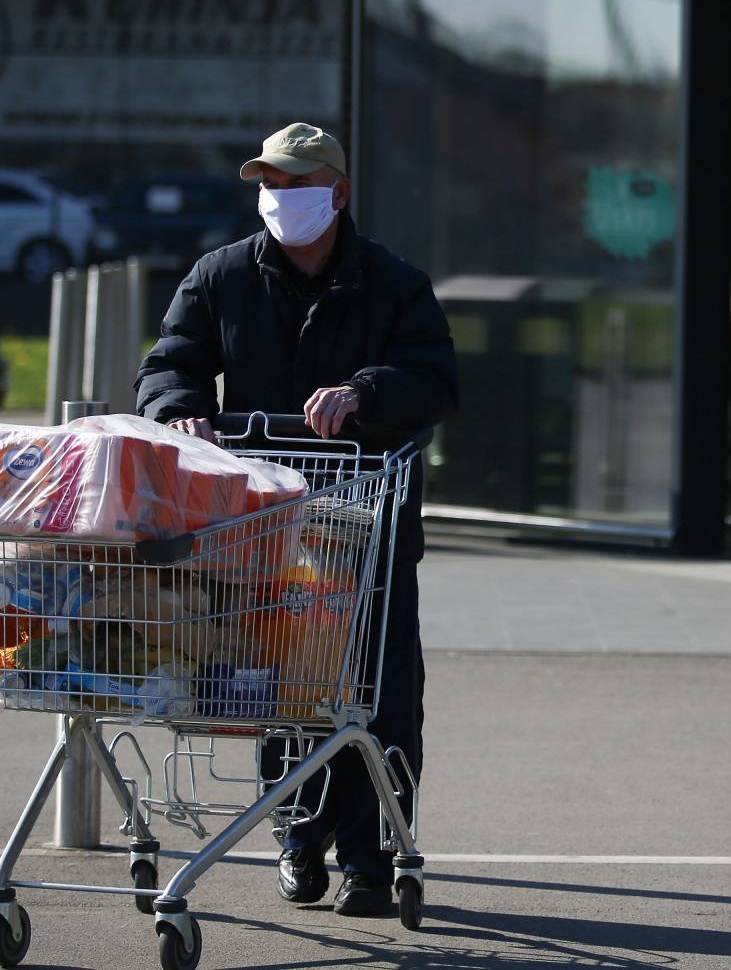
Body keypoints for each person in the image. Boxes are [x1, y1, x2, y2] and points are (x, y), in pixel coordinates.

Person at [135, 123, 459, 916]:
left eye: (295, 182)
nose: (279, 198)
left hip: (367, 531)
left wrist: (366, 392)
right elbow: (169, 362)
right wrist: (182, 412)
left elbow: (435, 380)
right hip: (265, 533)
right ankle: (298, 838)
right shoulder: (222, 276)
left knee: (376, 695)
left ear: (337, 192)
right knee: (284, 690)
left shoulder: (393, 283)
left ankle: (374, 859)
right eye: (268, 184)